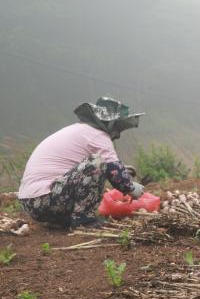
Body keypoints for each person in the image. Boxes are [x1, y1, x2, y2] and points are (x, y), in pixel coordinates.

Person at [18, 97, 145, 229]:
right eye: (118, 128)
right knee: (96, 163)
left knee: (99, 164)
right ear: (110, 123)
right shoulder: (98, 135)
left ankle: (65, 219)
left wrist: (120, 169)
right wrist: (131, 187)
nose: (118, 135)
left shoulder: (80, 130)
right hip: (44, 199)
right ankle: (84, 220)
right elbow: (112, 172)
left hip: (33, 202)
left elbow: (79, 171)